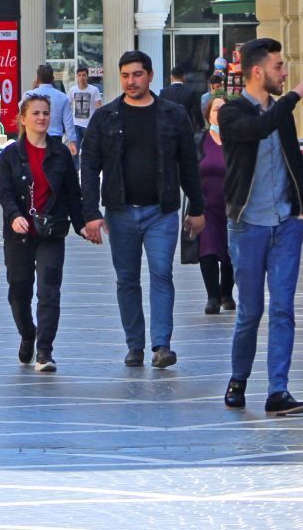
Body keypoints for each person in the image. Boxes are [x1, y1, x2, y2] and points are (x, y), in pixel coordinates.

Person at [79, 51, 204, 369]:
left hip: (161, 211)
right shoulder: (106, 117)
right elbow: (90, 166)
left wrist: (197, 207)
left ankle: (162, 345)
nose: (131, 81)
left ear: (150, 76)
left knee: (162, 274)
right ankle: (134, 344)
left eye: (136, 74)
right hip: (120, 211)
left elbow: (189, 164)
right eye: (125, 75)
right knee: (127, 279)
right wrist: (90, 213)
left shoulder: (173, 115)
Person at [218, 37, 303, 415]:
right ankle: (238, 379)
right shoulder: (230, 113)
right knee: (250, 311)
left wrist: (302, 209)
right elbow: (258, 129)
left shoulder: (281, 111)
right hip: (248, 225)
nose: (284, 73)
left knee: (283, 308)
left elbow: (292, 156)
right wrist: (295, 95)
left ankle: (278, 390)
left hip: (285, 224)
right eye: (279, 67)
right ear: (258, 72)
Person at [0, 93, 87, 371]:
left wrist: (84, 223)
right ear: (23, 119)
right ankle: (27, 333)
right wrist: (13, 216)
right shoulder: (11, 154)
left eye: (46, 113)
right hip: (19, 235)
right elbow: (5, 192)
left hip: (51, 231)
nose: (41, 118)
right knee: (19, 291)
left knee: (49, 291)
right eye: (35, 113)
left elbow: (73, 194)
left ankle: (44, 351)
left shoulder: (60, 153)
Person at [196, 96, 235, 314]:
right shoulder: (200, 141)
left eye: (224, 109)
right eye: (216, 109)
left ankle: (226, 292)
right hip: (206, 205)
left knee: (231, 250)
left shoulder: (236, 141)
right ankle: (212, 296)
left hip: (232, 205)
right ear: (208, 114)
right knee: (208, 249)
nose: (219, 113)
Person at [23, 64, 76, 154]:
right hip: (55, 139)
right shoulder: (63, 97)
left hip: (33, 138)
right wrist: (72, 141)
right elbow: (68, 123)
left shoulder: (28, 96)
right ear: (53, 79)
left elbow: (23, 115)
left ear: (37, 79)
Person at [66, 63, 102, 148]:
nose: (81, 78)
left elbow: (99, 107)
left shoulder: (94, 90)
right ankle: (75, 162)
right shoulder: (72, 90)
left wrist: (97, 123)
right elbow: (67, 106)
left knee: (90, 149)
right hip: (76, 124)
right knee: (75, 149)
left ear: (87, 76)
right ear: (77, 76)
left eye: (84, 75)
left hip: (89, 125)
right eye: (79, 75)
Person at [159, 64, 203, 132]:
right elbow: (196, 111)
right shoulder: (190, 92)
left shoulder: (164, 92)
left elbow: (159, 110)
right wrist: (201, 125)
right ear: (183, 77)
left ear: (171, 77)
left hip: (168, 128)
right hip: (186, 127)